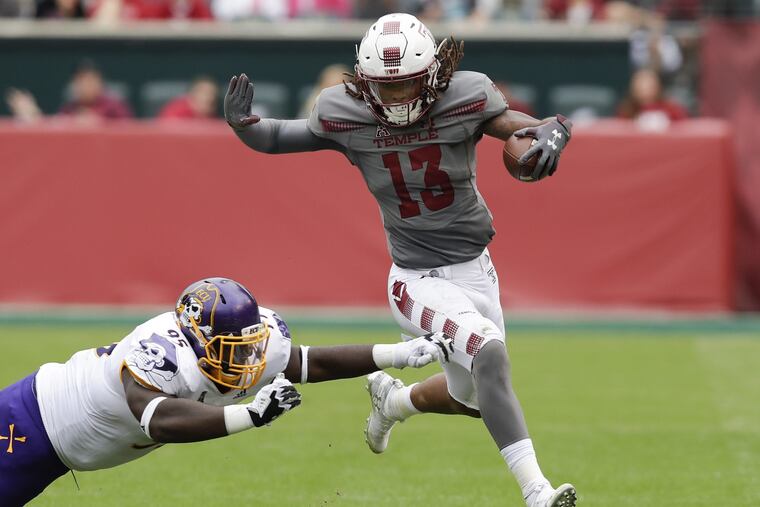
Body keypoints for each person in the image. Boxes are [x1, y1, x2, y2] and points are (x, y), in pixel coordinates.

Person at [223, 13, 575, 507]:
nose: (396, 101)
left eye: (406, 86)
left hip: (476, 268)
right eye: (385, 89)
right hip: (415, 278)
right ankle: (537, 491)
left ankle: (394, 402)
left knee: (472, 397)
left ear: (432, 75)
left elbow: (525, 127)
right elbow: (278, 136)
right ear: (366, 85)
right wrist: (243, 127)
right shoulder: (345, 113)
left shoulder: (465, 96)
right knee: (488, 353)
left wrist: (556, 130)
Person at [0, 277, 451, 506]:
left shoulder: (250, 341)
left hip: (66, 447)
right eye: (231, 349)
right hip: (30, 423)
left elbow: (306, 363)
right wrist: (250, 416)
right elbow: (161, 419)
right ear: (195, 338)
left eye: (248, 347)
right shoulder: (159, 352)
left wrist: (396, 354)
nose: (247, 361)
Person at [617, 67, 688, 128]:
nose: (645, 89)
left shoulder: (673, 109)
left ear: (657, 87)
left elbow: (683, 128)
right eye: (641, 86)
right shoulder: (626, 111)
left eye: (649, 85)